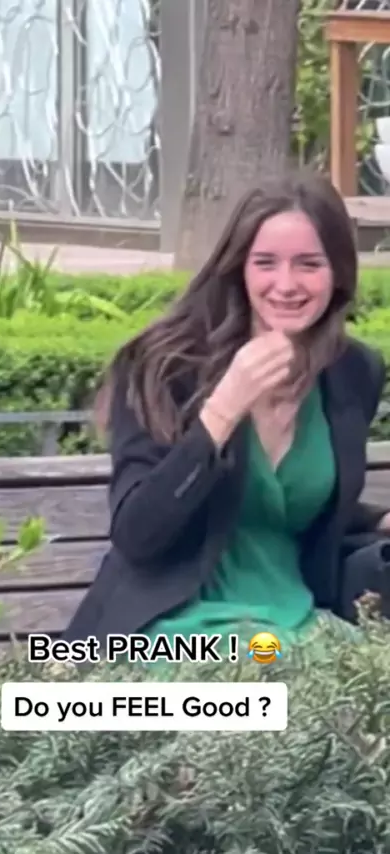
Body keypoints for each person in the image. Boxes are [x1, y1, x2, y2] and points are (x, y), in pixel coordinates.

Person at [62, 171, 390, 653]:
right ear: (239, 268)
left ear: (338, 271)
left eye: (309, 264)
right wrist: (224, 407)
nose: (286, 284)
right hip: (173, 625)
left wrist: (380, 519)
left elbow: (285, 500)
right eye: (265, 263)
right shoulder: (163, 365)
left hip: (295, 617)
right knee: (275, 676)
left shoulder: (352, 371)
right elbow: (138, 534)